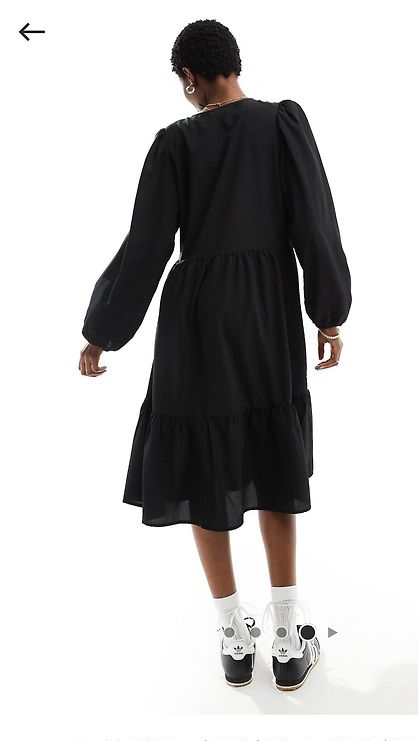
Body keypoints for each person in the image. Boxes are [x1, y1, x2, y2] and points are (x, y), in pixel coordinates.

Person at [78, 19, 352, 691]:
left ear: (189, 78)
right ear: (236, 63)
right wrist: (328, 314)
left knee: (205, 467)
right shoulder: (283, 123)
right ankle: (287, 637)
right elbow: (316, 223)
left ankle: (233, 635)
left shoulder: (174, 143)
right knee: (274, 461)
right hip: (265, 314)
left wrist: (103, 330)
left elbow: (145, 248)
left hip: (196, 319)